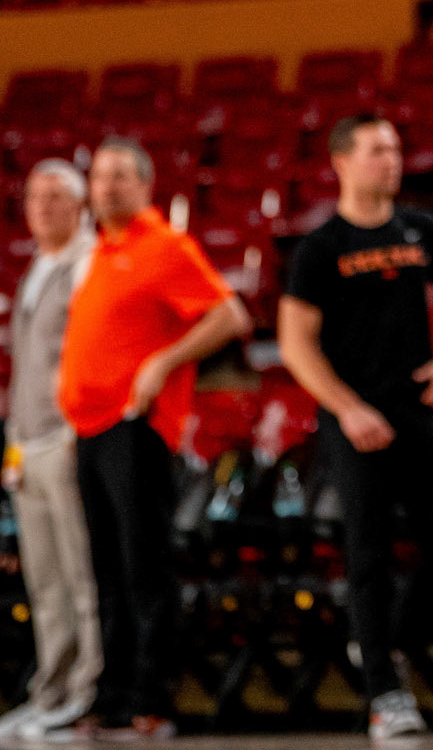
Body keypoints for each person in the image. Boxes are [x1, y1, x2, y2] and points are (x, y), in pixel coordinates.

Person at [278, 117, 433, 746]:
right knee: (368, 553)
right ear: (342, 162)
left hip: (417, 411)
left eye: (395, 149)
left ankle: (384, 649)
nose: (391, 161)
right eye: (376, 151)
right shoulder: (319, 248)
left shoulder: (422, 229)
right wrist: (346, 407)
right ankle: (385, 699)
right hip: (353, 419)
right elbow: (295, 344)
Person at [57, 139, 250, 741]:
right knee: (107, 572)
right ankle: (112, 700)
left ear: (145, 185)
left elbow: (230, 316)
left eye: (120, 176)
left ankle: (151, 701)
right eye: (99, 177)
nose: (107, 186)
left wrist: (162, 363)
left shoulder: (165, 247)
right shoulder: (100, 252)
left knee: (144, 570)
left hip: (134, 427)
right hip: (89, 430)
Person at [0, 162, 100, 741]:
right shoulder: (36, 266)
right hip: (28, 442)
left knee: (80, 574)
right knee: (44, 581)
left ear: (79, 203)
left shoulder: (87, 263)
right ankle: (51, 689)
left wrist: (70, 431)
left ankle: (85, 694)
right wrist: (13, 445)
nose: (41, 207)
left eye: (55, 197)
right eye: (34, 197)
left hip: (66, 438)